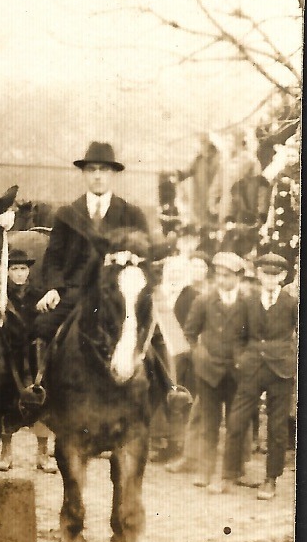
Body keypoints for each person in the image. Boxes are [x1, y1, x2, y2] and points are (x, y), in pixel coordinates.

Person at [32, 141, 191, 413]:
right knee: (41, 328)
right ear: (84, 174)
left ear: (113, 174)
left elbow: (145, 254)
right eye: (92, 169)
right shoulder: (67, 214)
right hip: (75, 292)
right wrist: (54, 288)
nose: (97, 176)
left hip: (118, 294)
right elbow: (54, 257)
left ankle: (170, 390)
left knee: (155, 335)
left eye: (103, 170)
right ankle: (38, 389)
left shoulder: (131, 213)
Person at [181, 251, 254, 490]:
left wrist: (244, 360)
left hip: (237, 372)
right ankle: (205, 470)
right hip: (209, 372)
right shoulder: (204, 300)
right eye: (218, 275)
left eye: (228, 276)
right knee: (208, 423)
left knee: (237, 423)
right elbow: (189, 334)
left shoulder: (248, 301)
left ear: (239, 276)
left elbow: (253, 335)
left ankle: (235, 471)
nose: (221, 280)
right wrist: (200, 355)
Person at [228, 253, 295, 499]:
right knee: (237, 419)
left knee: (277, 428)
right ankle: (230, 472)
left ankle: (271, 480)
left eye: (275, 275)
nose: (270, 279)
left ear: (283, 277)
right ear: (258, 275)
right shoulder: (248, 301)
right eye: (265, 274)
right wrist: (240, 360)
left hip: (281, 369)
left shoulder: (291, 303)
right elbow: (237, 336)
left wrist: (291, 361)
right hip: (253, 366)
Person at [0, 247, 57, 472]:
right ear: (7, 271)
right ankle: (6, 453)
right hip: (10, 354)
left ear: (29, 271)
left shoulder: (39, 295)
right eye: (14, 269)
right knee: (6, 400)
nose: (20, 274)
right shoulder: (1, 296)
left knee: (41, 399)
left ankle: (43, 454)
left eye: (23, 269)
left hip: (34, 355)